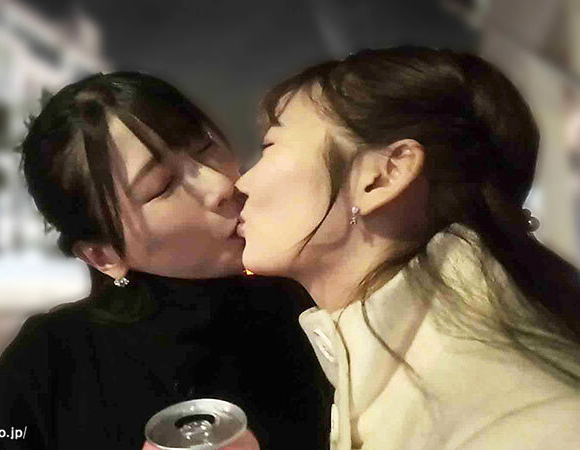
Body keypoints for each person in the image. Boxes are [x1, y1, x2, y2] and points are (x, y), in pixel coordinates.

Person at [0, 72, 332, 449]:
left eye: (204, 147)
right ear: (102, 255)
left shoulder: (307, 296)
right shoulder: (54, 359)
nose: (219, 185)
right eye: (162, 186)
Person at [235, 46, 580, 449]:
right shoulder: (391, 361)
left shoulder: (516, 423)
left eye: (269, 147)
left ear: (384, 176)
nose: (241, 183)